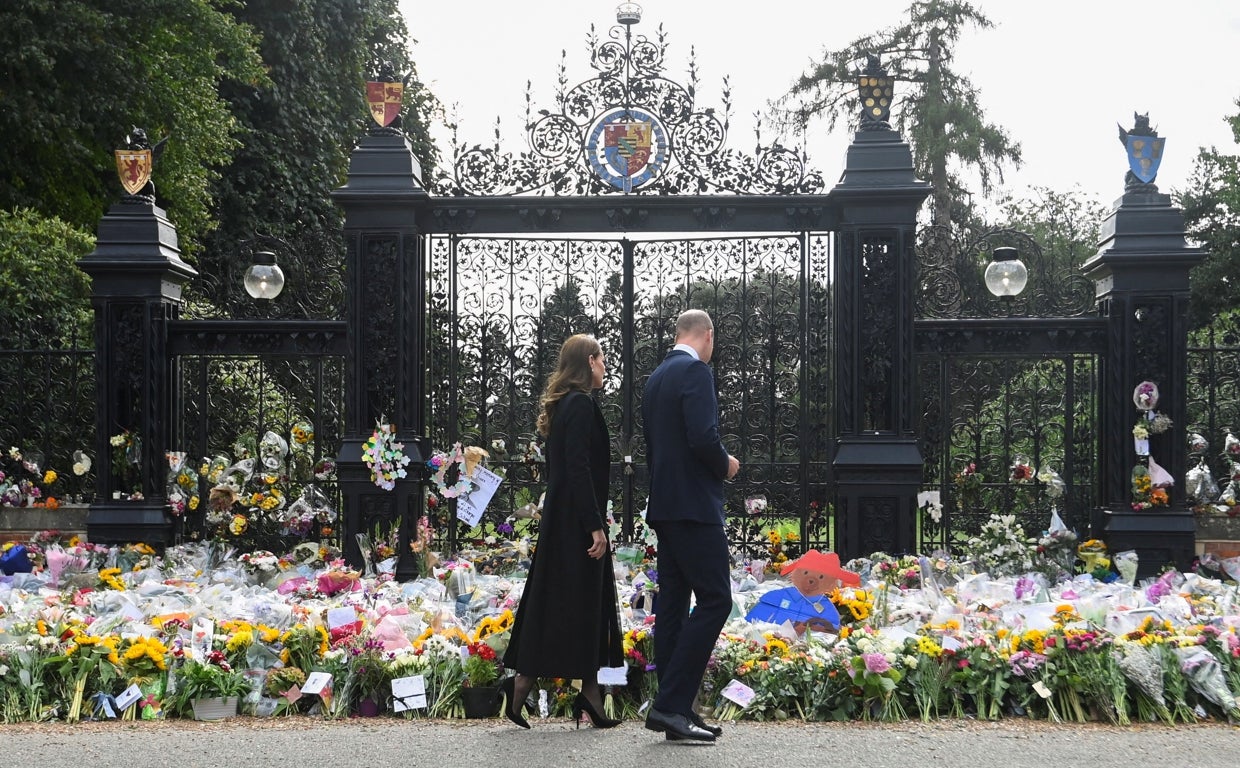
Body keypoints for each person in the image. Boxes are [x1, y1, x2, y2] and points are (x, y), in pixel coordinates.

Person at [501, 334, 623, 729]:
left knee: (569, 602)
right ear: (590, 361)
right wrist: (595, 526)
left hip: (564, 519)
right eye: (602, 360)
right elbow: (578, 468)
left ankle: (582, 694)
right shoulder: (582, 405)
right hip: (576, 523)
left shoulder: (568, 405)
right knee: (573, 603)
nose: (605, 367)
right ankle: (525, 686)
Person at [641, 309, 739, 743]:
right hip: (695, 508)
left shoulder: (657, 377)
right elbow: (703, 438)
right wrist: (727, 465)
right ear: (708, 335)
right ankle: (668, 705)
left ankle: (675, 709)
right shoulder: (696, 372)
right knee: (717, 600)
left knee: (675, 607)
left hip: (665, 505)